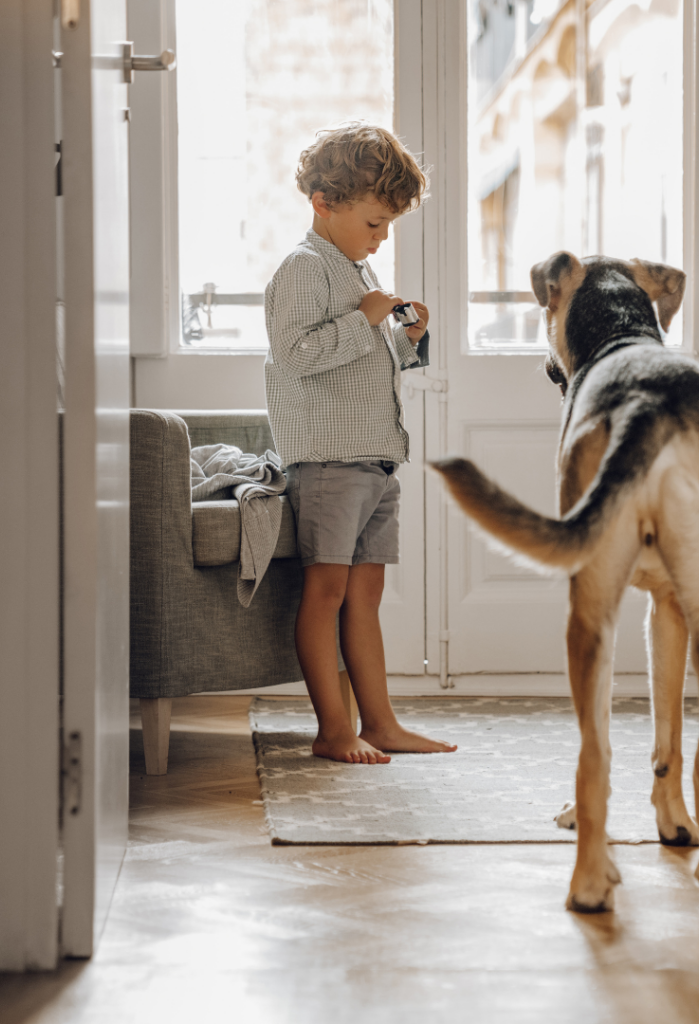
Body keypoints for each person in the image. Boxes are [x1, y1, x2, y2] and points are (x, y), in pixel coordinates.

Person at [265, 122, 456, 764]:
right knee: (326, 592)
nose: (382, 236)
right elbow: (295, 357)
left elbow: (366, 366)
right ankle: (333, 730)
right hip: (328, 464)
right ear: (325, 202)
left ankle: (380, 722)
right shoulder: (303, 268)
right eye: (375, 223)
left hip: (375, 462)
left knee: (366, 596)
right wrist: (364, 317)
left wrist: (408, 339)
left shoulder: (356, 270)